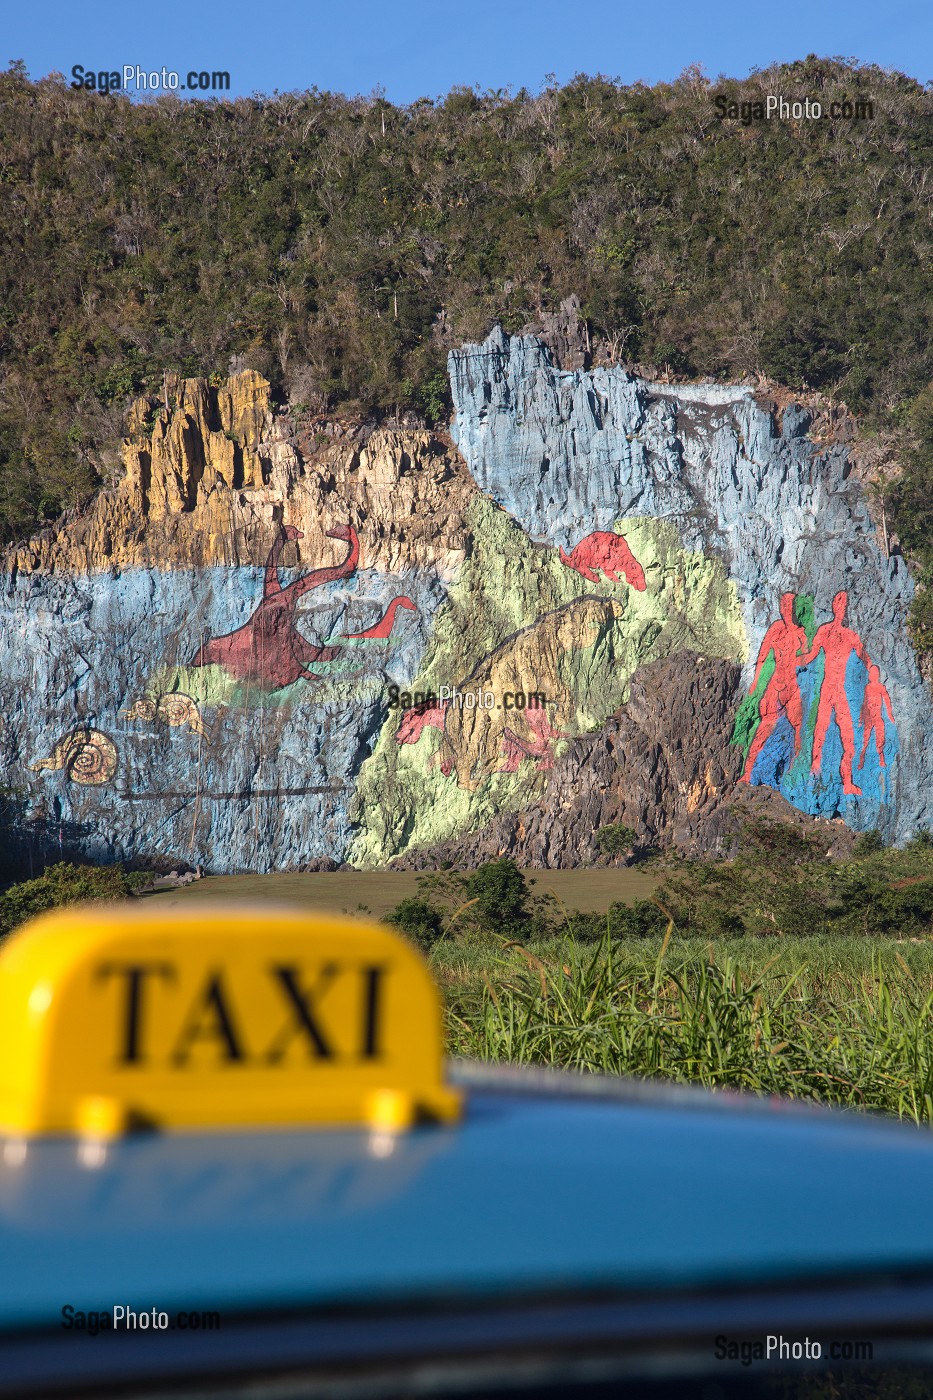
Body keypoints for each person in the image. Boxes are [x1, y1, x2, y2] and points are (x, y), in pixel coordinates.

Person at [798, 590, 869, 797]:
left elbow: (866, 659)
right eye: (839, 602)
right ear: (833, 606)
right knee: (820, 729)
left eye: (845, 603)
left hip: (841, 691)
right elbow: (810, 655)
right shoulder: (825, 631)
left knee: (848, 736)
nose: (842, 606)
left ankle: (847, 782)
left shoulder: (851, 636)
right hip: (828, 687)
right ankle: (814, 770)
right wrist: (791, 662)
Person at [741, 592, 808, 784]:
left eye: (790, 605)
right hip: (775, 686)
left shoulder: (801, 634)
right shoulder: (776, 628)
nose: (786, 609)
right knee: (764, 727)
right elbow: (762, 655)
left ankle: (794, 773)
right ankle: (747, 773)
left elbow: (805, 660)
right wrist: (755, 682)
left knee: (798, 729)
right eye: (783, 605)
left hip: (793, 688)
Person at [858, 663, 894, 772]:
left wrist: (890, 715)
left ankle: (881, 758)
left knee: (880, 739)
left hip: (878, 717)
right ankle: (861, 759)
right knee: (865, 740)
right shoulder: (867, 687)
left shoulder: (880, 687)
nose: (873, 675)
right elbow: (864, 704)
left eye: (875, 673)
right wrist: (861, 719)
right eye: (871, 673)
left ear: (878, 675)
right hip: (869, 718)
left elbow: (887, 701)